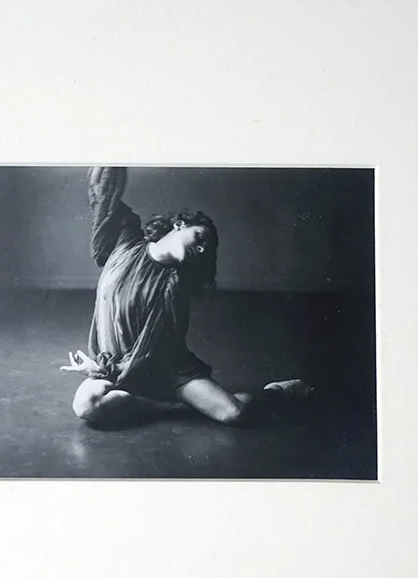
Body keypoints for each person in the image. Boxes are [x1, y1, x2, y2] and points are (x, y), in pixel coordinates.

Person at [62, 167, 309, 429]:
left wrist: (100, 371)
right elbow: (104, 196)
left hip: (164, 371)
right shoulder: (127, 240)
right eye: (199, 237)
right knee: (86, 405)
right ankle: (167, 406)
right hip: (116, 364)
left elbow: (151, 351)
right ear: (180, 224)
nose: (200, 248)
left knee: (233, 413)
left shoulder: (173, 286)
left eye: (204, 249)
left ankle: (276, 392)